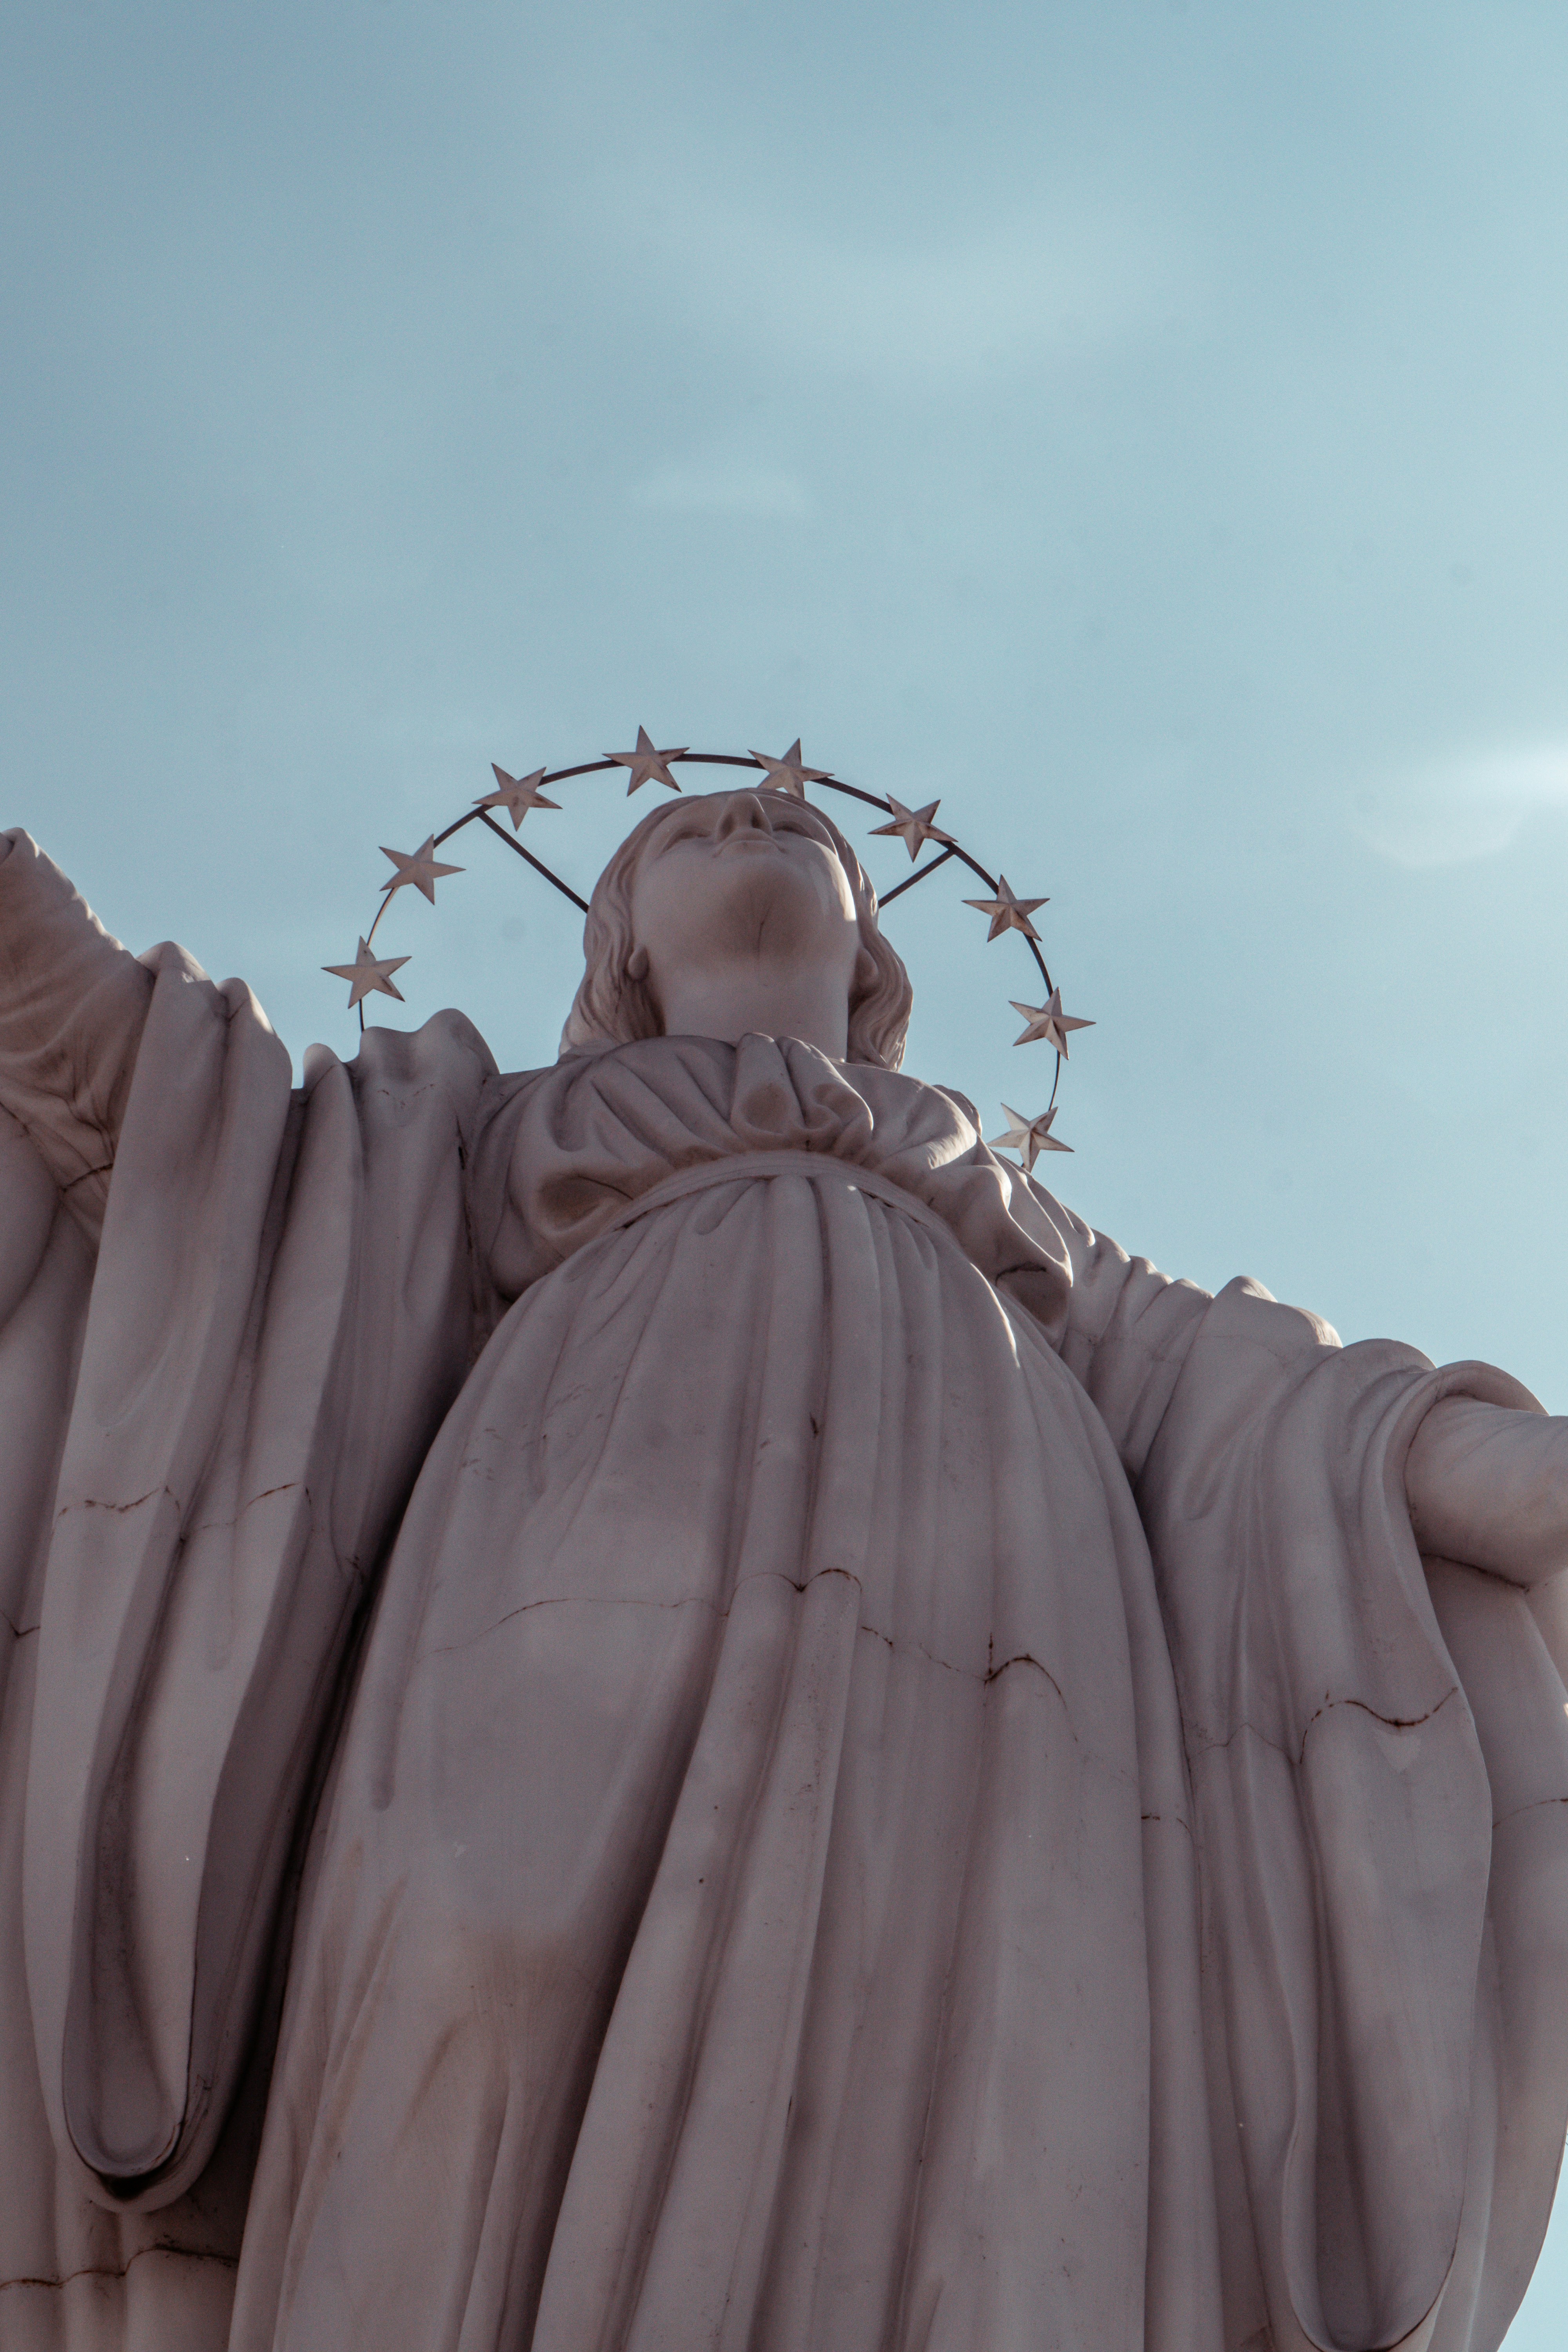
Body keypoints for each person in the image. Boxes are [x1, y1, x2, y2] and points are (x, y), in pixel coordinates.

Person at [1, 787, 1566, 2352]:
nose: (751, 811)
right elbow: (158, 1093)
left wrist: (1506, 1475)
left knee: (977, 2078)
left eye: (798, 828)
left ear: (873, 948)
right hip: (552, 1563)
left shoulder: (1001, 1206)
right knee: (478, 1963)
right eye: (683, 832)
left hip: (1005, 1654)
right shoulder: (473, 1126)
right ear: (618, 950)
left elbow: (1267, 1402)